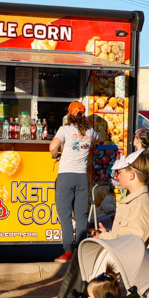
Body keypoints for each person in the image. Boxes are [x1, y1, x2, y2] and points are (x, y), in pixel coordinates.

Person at [54, 150, 149, 298]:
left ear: (132, 176)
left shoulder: (140, 205)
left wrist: (108, 239)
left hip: (123, 274)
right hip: (118, 268)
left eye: (120, 172)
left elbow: (133, 243)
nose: (117, 176)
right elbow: (124, 236)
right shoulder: (132, 202)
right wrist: (105, 235)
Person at [50, 101, 99, 262]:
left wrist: (56, 154)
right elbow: (98, 139)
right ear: (83, 114)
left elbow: (52, 146)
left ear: (70, 114)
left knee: (65, 216)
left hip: (65, 176)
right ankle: (81, 251)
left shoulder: (65, 129)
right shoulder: (91, 131)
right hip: (81, 177)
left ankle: (68, 252)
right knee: (81, 216)